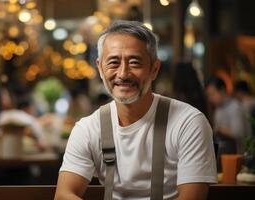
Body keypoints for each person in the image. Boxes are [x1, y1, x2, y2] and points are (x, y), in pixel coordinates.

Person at [55, 20, 217, 200]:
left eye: (134, 62)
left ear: (154, 69)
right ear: (100, 68)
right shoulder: (88, 129)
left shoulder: (188, 122)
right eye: (113, 63)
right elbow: (64, 194)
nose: (123, 74)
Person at [206, 77, 249, 154]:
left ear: (222, 91)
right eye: (209, 95)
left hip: (239, 152)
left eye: (212, 94)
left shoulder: (234, 106)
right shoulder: (218, 108)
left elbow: (238, 132)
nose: (210, 99)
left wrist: (219, 129)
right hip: (225, 150)